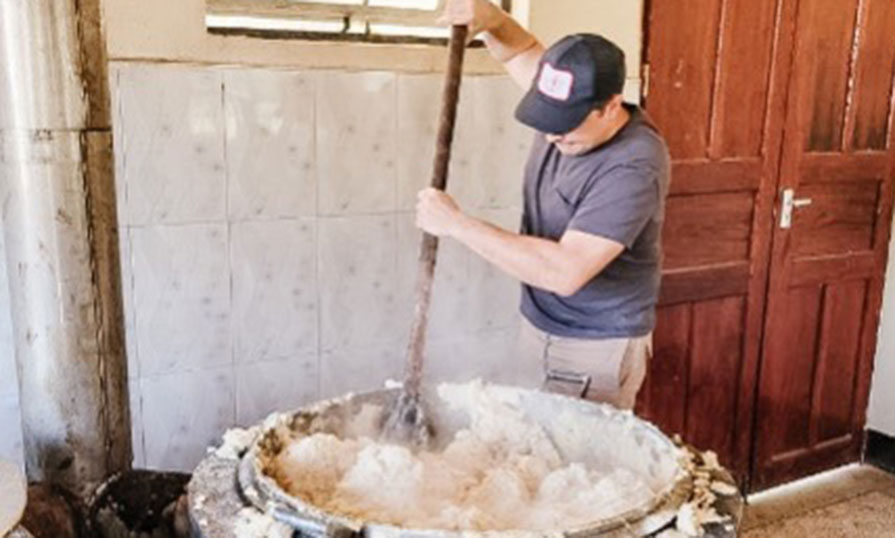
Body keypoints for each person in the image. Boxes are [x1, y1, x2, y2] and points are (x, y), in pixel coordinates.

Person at [414, 0, 671, 410]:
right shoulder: (565, 106)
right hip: (541, 325)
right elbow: (518, 49)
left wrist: (456, 224)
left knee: (575, 463)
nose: (552, 136)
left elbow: (565, 271)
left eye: (565, 126)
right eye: (547, 120)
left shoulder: (635, 164)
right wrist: (491, 18)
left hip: (593, 344)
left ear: (609, 106)